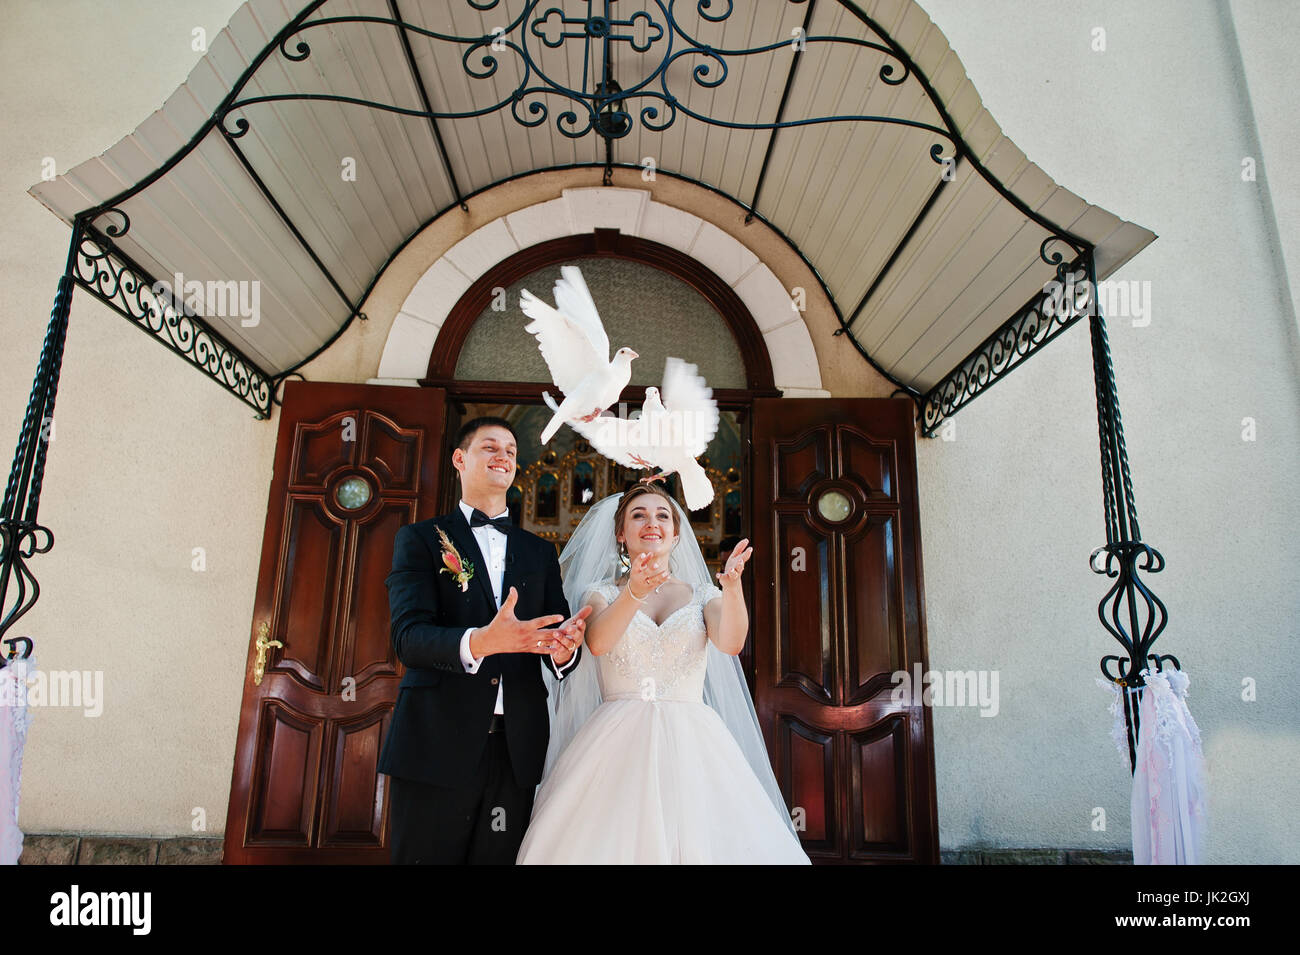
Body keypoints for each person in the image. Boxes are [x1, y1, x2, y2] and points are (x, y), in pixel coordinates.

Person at [516, 484, 810, 864]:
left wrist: (733, 587)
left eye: (662, 515)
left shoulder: (704, 594)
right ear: (621, 533)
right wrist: (633, 593)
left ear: (676, 533)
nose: (651, 522)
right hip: (614, 738)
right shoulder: (600, 592)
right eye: (638, 515)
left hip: (693, 738)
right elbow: (599, 642)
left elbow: (731, 641)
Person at [379, 417, 591, 864]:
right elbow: (408, 639)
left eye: (512, 451)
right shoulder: (419, 539)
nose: (504, 457)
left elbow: (556, 635)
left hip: (516, 748)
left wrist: (564, 650)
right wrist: (481, 642)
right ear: (460, 459)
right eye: (490, 447)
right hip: (436, 742)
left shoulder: (539, 553)